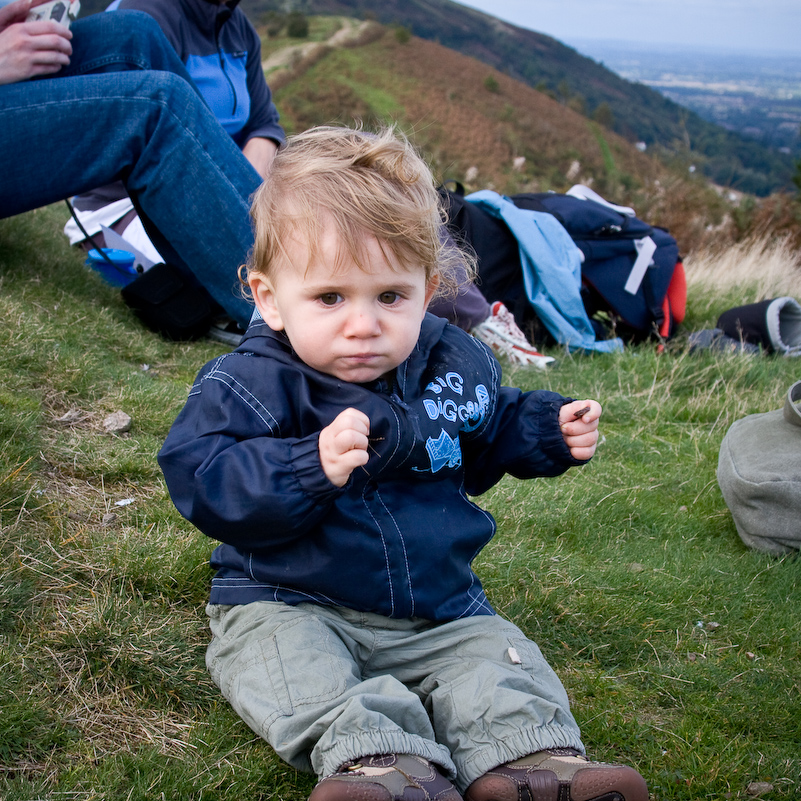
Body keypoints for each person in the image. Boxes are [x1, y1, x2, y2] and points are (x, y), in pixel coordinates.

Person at [157, 126, 648, 801]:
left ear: (428, 287)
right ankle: (384, 770)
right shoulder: (249, 382)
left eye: (389, 296)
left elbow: (485, 422)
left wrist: (541, 428)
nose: (362, 323)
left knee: (494, 663)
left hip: (436, 605)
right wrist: (307, 465)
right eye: (329, 297)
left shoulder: (451, 362)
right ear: (269, 296)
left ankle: (532, 763)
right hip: (289, 598)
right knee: (297, 671)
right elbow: (202, 476)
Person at [0, 0, 260, 329]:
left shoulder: (241, 30)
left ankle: (247, 273)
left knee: (135, 32)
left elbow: (267, 122)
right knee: (157, 106)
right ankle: (291, 314)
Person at [65, 0, 284, 266]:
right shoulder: (146, 14)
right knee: (255, 271)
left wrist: (244, 198)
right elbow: (162, 147)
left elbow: (264, 124)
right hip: (128, 207)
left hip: (222, 198)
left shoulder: (238, 27)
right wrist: (234, 206)